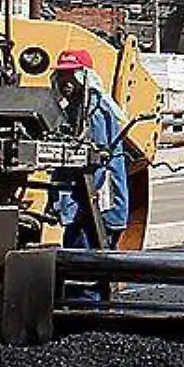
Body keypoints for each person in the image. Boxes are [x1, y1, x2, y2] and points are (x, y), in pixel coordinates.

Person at [49, 48, 131, 251]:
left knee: (92, 251)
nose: (66, 81)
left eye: (72, 74)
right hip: (80, 200)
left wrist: (84, 203)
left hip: (96, 200)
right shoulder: (71, 110)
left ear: (84, 77)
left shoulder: (95, 110)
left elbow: (96, 159)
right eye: (62, 75)